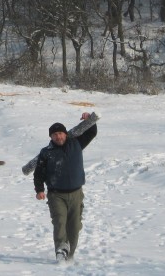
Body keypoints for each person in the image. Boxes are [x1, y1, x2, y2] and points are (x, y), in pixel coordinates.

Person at [33, 112, 97, 262]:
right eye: (54, 135)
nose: (58, 137)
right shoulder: (46, 153)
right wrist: (39, 190)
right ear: (51, 137)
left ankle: (70, 254)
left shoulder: (76, 144)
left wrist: (90, 120)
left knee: (74, 228)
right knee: (59, 222)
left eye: (60, 133)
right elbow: (38, 173)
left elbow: (92, 132)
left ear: (65, 134)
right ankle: (61, 250)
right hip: (56, 195)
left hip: (76, 193)